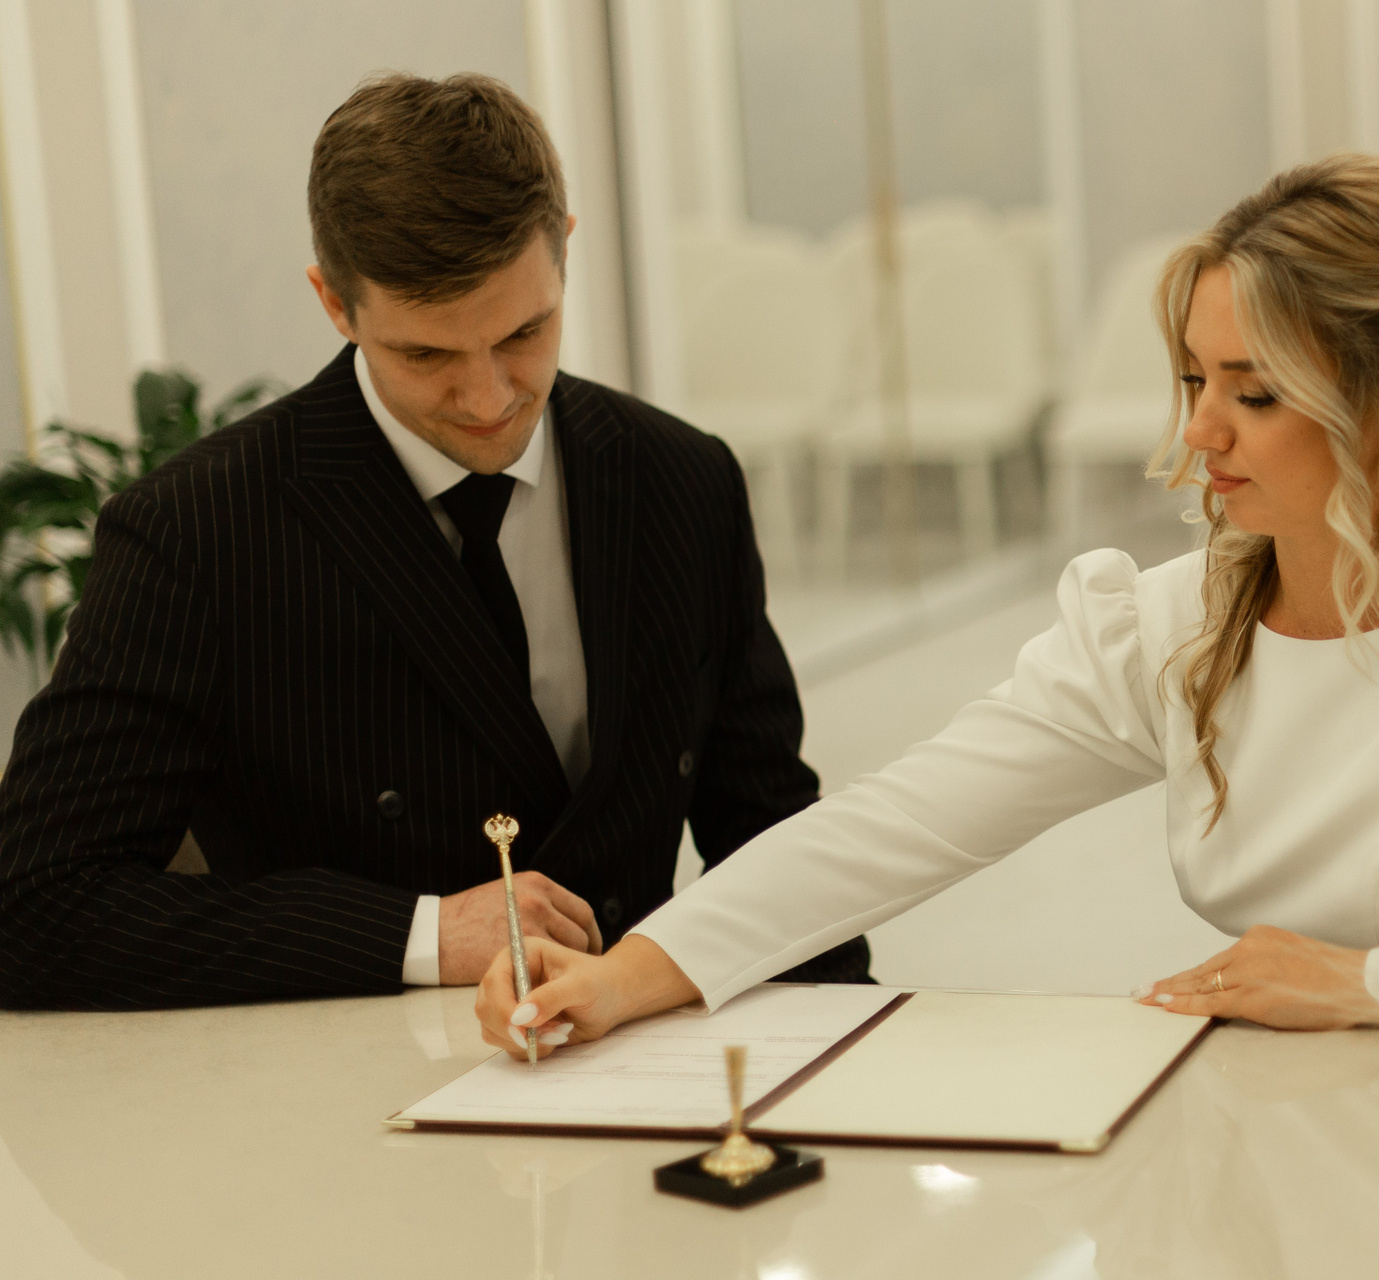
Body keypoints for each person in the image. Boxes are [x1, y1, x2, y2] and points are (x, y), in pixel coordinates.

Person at [475, 153, 1379, 1055]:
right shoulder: (1182, 624)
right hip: (1272, 1136)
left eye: (1254, 393)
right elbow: (898, 824)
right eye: (1195, 379)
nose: (1200, 430)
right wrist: (631, 975)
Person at [0, 73, 869, 1008]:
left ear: (565, 253)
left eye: (525, 332)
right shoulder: (198, 529)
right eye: (426, 354)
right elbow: (33, 903)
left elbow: (776, 846)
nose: (489, 398)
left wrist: (854, 1054)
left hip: (635, 1062)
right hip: (350, 1074)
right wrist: (421, 935)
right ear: (335, 304)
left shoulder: (682, 480)